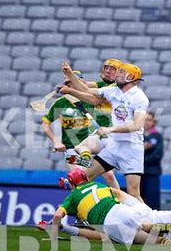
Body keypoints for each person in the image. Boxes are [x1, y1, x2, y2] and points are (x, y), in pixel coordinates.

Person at [59, 62, 149, 202]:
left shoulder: (139, 97)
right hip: (114, 147)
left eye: (120, 73)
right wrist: (70, 74)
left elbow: (137, 125)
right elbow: (86, 90)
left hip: (131, 149)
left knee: (133, 194)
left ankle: (151, 222)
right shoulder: (113, 91)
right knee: (84, 178)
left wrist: (111, 129)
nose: (116, 75)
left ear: (130, 77)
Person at [45, 169, 171, 248]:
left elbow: (58, 214)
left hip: (110, 223)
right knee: (146, 226)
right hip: (120, 209)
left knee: (154, 241)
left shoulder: (71, 197)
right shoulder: (98, 185)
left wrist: (54, 232)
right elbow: (117, 193)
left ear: (72, 184)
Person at [41, 70, 119, 187]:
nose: (68, 85)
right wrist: (56, 142)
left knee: (109, 176)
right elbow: (45, 124)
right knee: (77, 179)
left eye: (71, 82)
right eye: (66, 83)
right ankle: (79, 204)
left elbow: (108, 87)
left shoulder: (92, 99)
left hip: (93, 146)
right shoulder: (60, 103)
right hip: (72, 149)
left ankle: (120, 202)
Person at [141, 111, 164, 209]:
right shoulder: (137, 135)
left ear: (153, 122)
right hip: (138, 173)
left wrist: (143, 158)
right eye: (145, 120)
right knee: (139, 201)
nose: (147, 122)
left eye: (149, 120)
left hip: (152, 173)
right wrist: (143, 148)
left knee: (152, 201)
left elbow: (158, 155)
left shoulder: (157, 136)